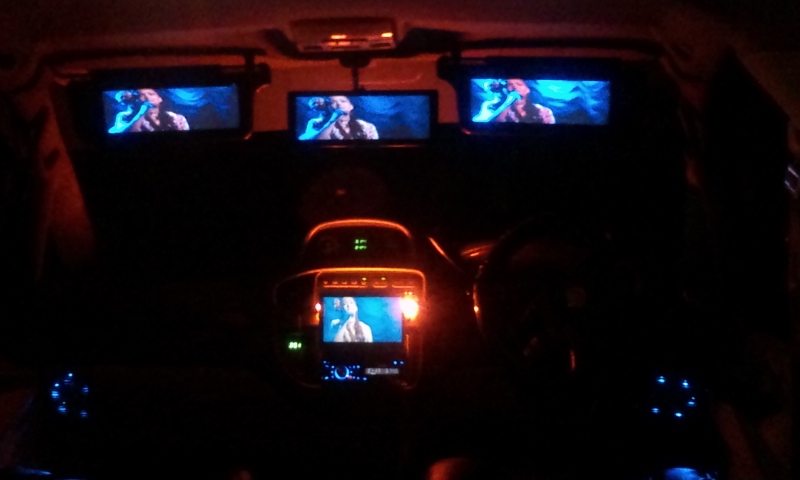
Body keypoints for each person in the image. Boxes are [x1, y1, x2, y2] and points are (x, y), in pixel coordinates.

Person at [108, 89, 190, 133]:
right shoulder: (126, 116)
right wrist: (142, 112)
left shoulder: (177, 118)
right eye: (142, 95)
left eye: (151, 94)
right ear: (137, 100)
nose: (147, 97)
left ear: (160, 98)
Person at [298, 95, 379, 140]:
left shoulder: (366, 126)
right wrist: (334, 119)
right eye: (333, 102)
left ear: (351, 106)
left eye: (343, 101)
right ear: (329, 107)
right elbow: (313, 142)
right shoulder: (316, 122)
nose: (339, 104)